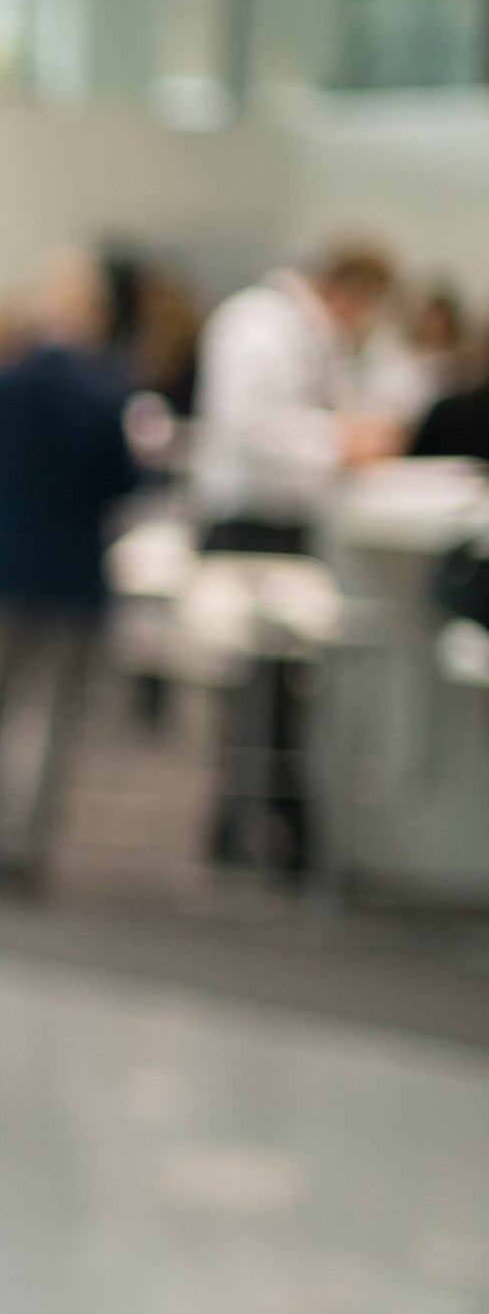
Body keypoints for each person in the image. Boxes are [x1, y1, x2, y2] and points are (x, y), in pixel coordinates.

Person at [188, 236, 403, 873]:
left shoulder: (301, 334)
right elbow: (247, 426)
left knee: (282, 688)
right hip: (248, 524)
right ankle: (245, 819)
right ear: (350, 292)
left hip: (282, 521)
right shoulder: (260, 328)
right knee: (253, 683)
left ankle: (271, 821)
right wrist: (335, 443)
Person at [0, 252, 149, 891]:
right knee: (56, 718)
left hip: (2, 564)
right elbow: (125, 483)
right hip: (73, 573)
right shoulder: (107, 391)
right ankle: (27, 848)